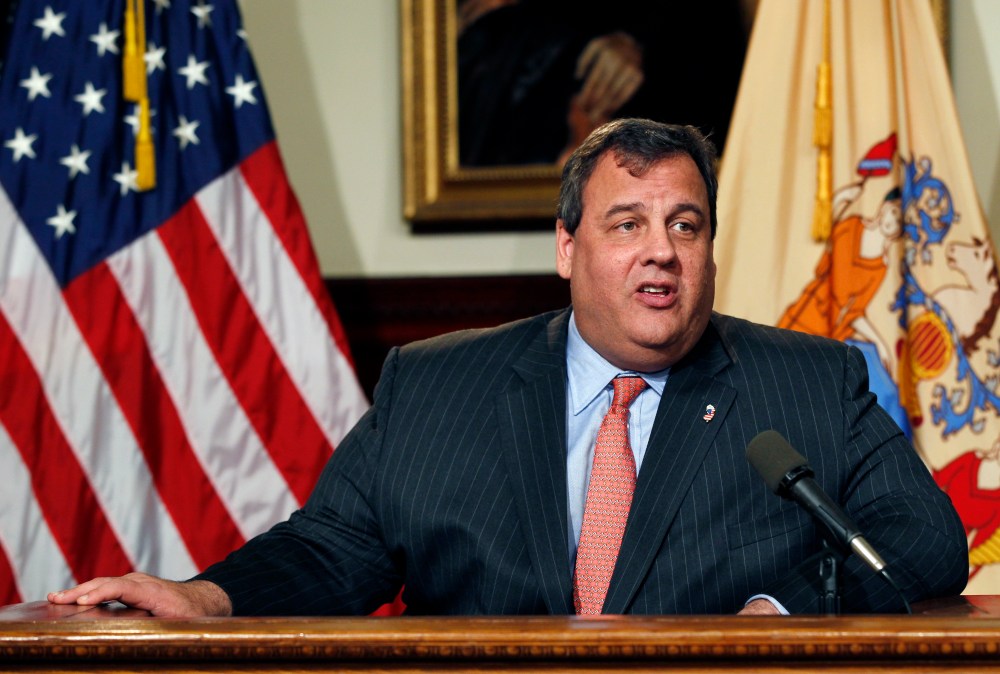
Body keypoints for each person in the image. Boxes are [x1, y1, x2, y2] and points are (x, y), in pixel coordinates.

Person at [49, 119, 968, 617]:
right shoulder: (437, 386)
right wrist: (205, 596)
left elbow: (924, 537)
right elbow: (334, 550)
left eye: (685, 226)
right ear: (567, 247)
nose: (661, 252)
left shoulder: (807, 383)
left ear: (710, 252)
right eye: (627, 225)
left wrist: (778, 609)